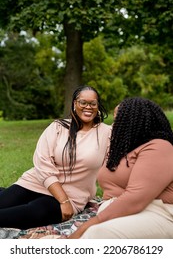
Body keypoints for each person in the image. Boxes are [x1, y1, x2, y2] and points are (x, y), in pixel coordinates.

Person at [0, 85, 111, 229]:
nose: (88, 107)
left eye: (93, 103)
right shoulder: (58, 127)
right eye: (83, 102)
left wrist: (65, 202)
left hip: (72, 196)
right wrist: (63, 200)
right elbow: (42, 163)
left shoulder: (107, 133)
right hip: (36, 183)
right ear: (74, 103)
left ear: (98, 106)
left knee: (28, 213)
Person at [69, 97, 173, 239]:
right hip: (133, 208)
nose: (114, 125)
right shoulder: (124, 149)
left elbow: (135, 198)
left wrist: (87, 225)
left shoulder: (160, 147)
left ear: (135, 122)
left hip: (163, 212)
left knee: (97, 233)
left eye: (119, 119)